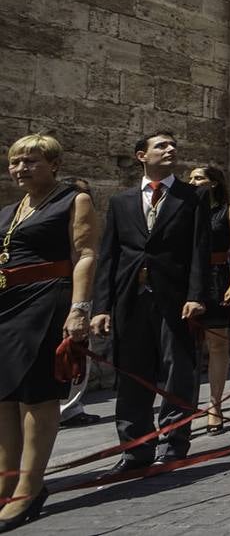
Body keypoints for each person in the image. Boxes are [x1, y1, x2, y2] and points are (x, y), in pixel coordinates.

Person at [91, 129, 210, 472]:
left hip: (174, 298)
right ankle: (135, 449)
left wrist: (196, 295)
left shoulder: (193, 197)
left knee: (177, 371)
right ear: (141, 155)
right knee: (131, 374)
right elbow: (109, 256)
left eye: (174, 144)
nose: (171, 149)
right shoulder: (121, 202)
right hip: (131, 298)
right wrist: (101, 307)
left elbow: (199, 251)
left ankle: (173, 442)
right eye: (161, 145)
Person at [0, 136, 98, 527]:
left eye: (31, 161)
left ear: (54, 164)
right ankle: (6, 485)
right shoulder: (9, 210)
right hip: (7, 308)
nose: (21, 168)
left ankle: (29, 488)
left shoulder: (74, 200)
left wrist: (79, 309)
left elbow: (86, 255)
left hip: (46, 301)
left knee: (36, 396)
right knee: (5, 397)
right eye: (15, 162)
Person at [184, 167, 230, 435]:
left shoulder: (229, 210)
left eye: (199, 178)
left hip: (217, 277)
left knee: (217, 345)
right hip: (188, 280)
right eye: (191, 178)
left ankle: (215, 406)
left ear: (214, 183)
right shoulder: (186, 210)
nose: (192, 182)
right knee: (185, 346)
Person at [58, 177, 99, 430]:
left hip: (77, 296)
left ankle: (70, 407)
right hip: (60, 293)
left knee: (77, 355)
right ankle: (66, 408)